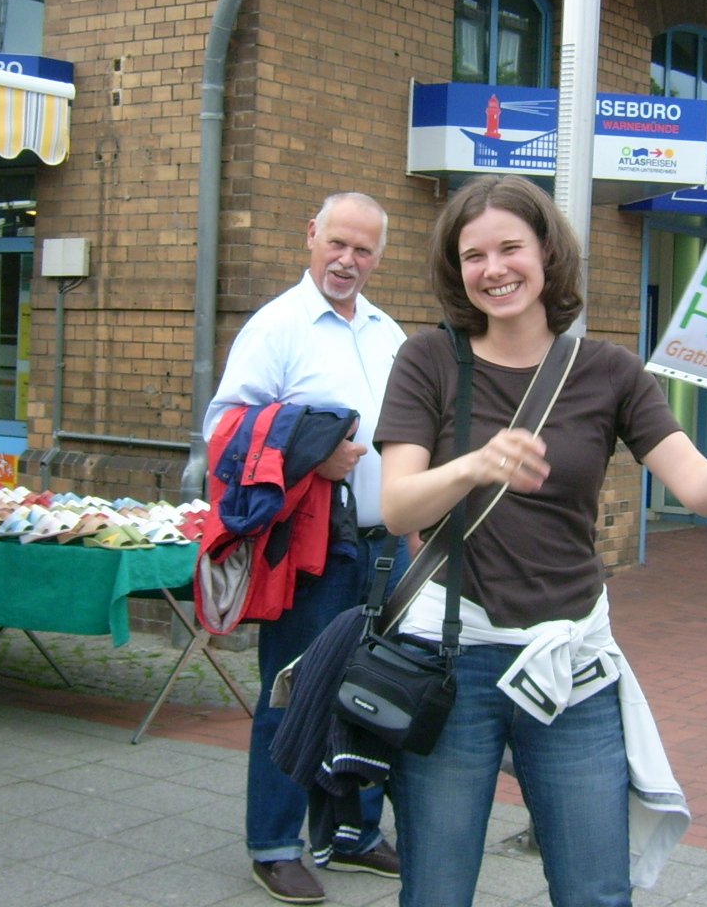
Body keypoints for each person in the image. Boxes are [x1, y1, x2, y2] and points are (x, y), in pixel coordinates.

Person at [375, 176, 707, 906]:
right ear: (455, 269)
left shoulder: (609, 371)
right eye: (474, 256)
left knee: (597, 891)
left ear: (548, 253)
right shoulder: (429, 362)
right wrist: (475, 463)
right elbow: (397, 505)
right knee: (435, 891)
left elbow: (700, 488)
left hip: (573, 663)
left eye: (509, 248)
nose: (493, 269)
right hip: (448, 660)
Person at [204, 192, 407, 905]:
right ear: (310, 236)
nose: (348, 261)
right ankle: (275, 843)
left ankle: (352, 832)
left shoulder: (387, 331)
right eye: (338, 244)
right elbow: (223, 428)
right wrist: (309, 456)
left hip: (388, 545)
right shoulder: (278, 326)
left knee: (379, 691)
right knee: (293, 689)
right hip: (318, 549)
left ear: (380, 256)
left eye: (364, 250)